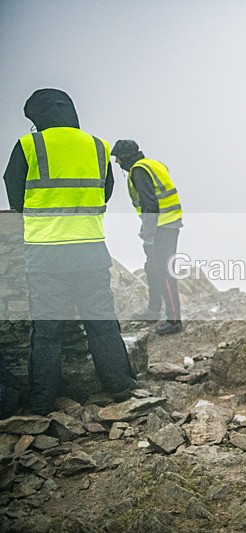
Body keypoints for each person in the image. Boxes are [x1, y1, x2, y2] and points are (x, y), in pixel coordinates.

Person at [2, 88, 137, 415]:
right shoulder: (98, 146)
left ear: (38, 116)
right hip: (90, 251)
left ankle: (41, 402)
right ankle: (120, 386)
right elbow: (104, 192)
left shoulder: (28, 145)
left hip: (46, 255)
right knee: (102, 323)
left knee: (47, 333)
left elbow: (15, 195)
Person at [110, 140, 183, 335]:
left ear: (124, 157)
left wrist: (148, 234)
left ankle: (174, 321)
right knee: (152, 268)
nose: (116, 162)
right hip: (169, 223)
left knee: (164, 270)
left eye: (117, 157)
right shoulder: (153, 164)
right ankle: (153, 309)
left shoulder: (138, 171)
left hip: (162, 227)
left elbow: (151, 205)